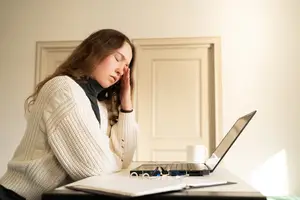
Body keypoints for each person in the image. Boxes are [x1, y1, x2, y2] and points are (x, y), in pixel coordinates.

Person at [0, 29, 139, 200]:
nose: (121, 71)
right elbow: (97, 169)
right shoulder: (63, 89)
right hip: (17, 196)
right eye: (118, 59)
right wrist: (113, 160)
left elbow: (125, 160)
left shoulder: (99, 107)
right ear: (95, 51)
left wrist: (126, 103)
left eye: (126, 66)